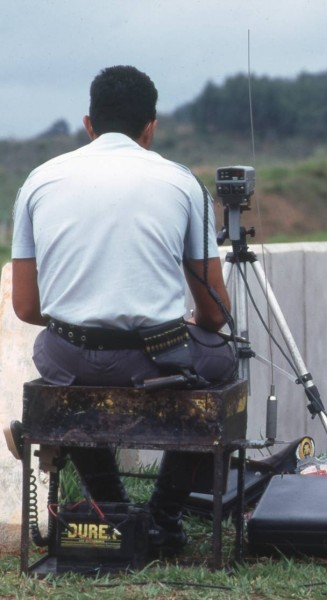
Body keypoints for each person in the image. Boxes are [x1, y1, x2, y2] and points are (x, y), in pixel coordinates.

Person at [11, 65, 237, 556]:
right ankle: (164, 517)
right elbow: (216, 313)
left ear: (89, 123)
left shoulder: (39, 180)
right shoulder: (179, 183)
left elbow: (27, 307)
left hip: (68, 355)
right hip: (156, 359)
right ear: (150, 127)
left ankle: (112, 510)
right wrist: (191, 328)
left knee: (54, 359)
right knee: (223, 361)